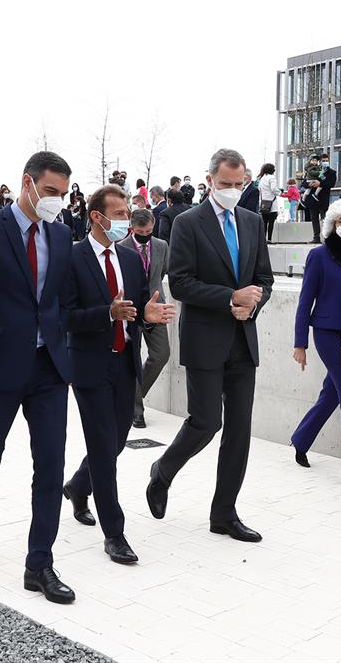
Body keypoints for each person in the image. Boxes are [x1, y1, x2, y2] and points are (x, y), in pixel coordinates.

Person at [0, 151, 77, 605]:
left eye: (63, 195)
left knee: (51, 466)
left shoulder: (62, 235)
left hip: (48, 371)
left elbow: (62, 303)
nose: (56, 202)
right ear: (26, 183)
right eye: (49, 192)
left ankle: (38, 564)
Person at [146, 148, 274, 543]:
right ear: (210, 181)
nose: (233, 191)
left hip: (242, 338)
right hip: (205, 337)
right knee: (206, 422)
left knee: (239, 430)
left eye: (239, 185)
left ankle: (224, 513)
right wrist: (229, 298)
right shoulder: (188, 223)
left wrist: (252, 303)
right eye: (225, 185)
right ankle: (162, 471)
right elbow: (180, 282)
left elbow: (264, 280)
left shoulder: (252, 222)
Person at [62, 187, 175, 565]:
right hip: (90, 364)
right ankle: (115, 533)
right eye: (120, 212)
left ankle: (78, 486)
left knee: (117, 438)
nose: (126, 219)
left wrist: (148, 315)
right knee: (101, 444)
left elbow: (139, 306)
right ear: (97, 216)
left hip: (125, 360)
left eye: (128, 211)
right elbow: (66, 317)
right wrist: (107, 314)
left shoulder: (128, 258)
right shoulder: (72, 258)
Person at [290, 197, 341, 491]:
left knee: (332, 394)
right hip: (326, 332)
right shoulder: (319, 255)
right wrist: (300, 343)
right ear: (331, 224)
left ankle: (301, 439)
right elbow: (304, 302)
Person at [120, 208, 170, 428]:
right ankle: (136, 411)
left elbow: (162, 273)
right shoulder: (121, 248)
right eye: (141, 231)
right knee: (132, 360)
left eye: (149, 231)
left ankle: (132, 397)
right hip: (131, 310)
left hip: (156, 308)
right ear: (132, 228)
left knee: (161, 354)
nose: (145, 235)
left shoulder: (162, 246)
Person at [307, 154, 337, 244]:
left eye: (326, 160)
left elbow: (331, 184)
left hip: (323, 198)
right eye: (323, 160)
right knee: (314, 218)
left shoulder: (332, 172)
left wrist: (319, 184)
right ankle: (316, 237)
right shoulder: (314, 170)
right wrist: (309, 184)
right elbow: (306, 181)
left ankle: (327, 238)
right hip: (313, 199)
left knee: (325, 219)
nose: (325, 162)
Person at [256, 163, 280, 242]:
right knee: (271, 222)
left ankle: (263, 239)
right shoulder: (272, 178)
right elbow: (273, 189)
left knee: (264, 222)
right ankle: (269, 239)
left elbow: (260, 190)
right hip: (271, 203)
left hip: (263, 203)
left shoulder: (262, 178)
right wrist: (280, 192)